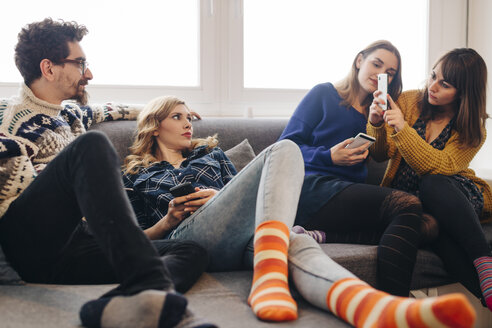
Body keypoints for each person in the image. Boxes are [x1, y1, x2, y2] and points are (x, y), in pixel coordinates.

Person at [122, 94, 477, 328]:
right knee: (285, 149)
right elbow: (134, 237)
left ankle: (373, 308)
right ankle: (270, 273)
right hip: (189, 240)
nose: (189, 123)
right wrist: (168, 219)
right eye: (177, 116)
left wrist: (221, 194)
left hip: (243, 235)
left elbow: (256, 196)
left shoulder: (212, 156)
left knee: (295, 240)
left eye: (189, 116)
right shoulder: (135, 175)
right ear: (154, 126)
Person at [0, 18, 211, 328]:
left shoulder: (72, 113)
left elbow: (113, 109)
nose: (89, 74)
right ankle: (151, 287)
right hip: (28, 242)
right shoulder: (6, 116)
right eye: (80, 63)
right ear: (48, 68)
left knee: (191, 250)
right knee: (92, 144)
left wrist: (161, 113)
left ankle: (109, 309)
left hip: (76, 247)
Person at [278, 40, 427, 297]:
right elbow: (283, 149)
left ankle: (322, 234)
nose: (381, 75)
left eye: (389, 73)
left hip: (348, 194)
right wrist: (329, 157)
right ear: (360, 61)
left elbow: (381, 155)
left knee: (429, 225)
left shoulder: (376, 113)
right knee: (408, 205)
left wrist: (378, 123)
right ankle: (395, 305)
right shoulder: (323, 94)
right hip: (313, 188)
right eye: (376, 64)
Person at [367, 47, 492, 310]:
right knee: (437, 232)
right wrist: (376, 123)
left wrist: (402, 128)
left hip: (453, 194)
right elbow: (380, 155)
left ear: (464, 92)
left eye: (444, 84)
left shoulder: (473, 128)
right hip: (417, 202)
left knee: (432, 184)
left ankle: (485, 260)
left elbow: (438, 166)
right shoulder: (410, 101)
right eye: (433, 76)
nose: (432, 87)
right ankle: (488, 294)